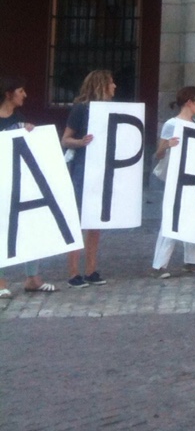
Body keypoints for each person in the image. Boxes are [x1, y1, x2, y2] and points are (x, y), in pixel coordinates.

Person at [0, 76, 56, 296]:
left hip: (21, 182)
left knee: (31, 223)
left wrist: (31, 133)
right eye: (20, 91)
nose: (24, 95)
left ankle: (33, 278)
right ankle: (1, 281)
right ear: (8, 94)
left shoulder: (19, 118)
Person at [61, 69, 116, 287]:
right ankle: (74, 272)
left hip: (102, 167)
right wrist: (82, 141)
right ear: (102, 85)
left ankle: (91, 270)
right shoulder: (81, 108)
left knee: (95, 220)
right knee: (78, 219)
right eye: (111, 83)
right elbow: (66, 139)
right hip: (83, 168)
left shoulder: (110, 109)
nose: (115, 87)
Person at [151, 85, 195, 279]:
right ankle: (158, 265)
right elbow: (158, 154)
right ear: (189, 102)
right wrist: (167, 145)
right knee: (172, 218)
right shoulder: (172, 124)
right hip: (176, 179)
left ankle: (191, 262)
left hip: (192, 178)